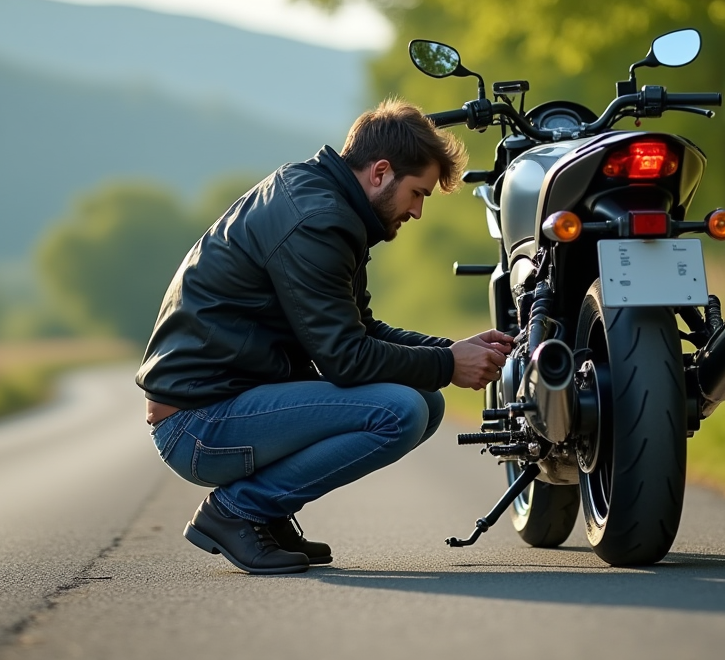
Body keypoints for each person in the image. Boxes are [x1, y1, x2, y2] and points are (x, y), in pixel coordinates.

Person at [136, 98, 514, 575]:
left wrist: (453, 351)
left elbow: (362, 330)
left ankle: (264, 515)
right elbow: (346, 359)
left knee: (426, 401)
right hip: (197, 425)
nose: (418, 211)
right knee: (401, 411)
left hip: (222, 406)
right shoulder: (317, 220)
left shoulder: (325, 203)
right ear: (380, 172)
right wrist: (448, 366)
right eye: (418, 193)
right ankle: (238, 511)